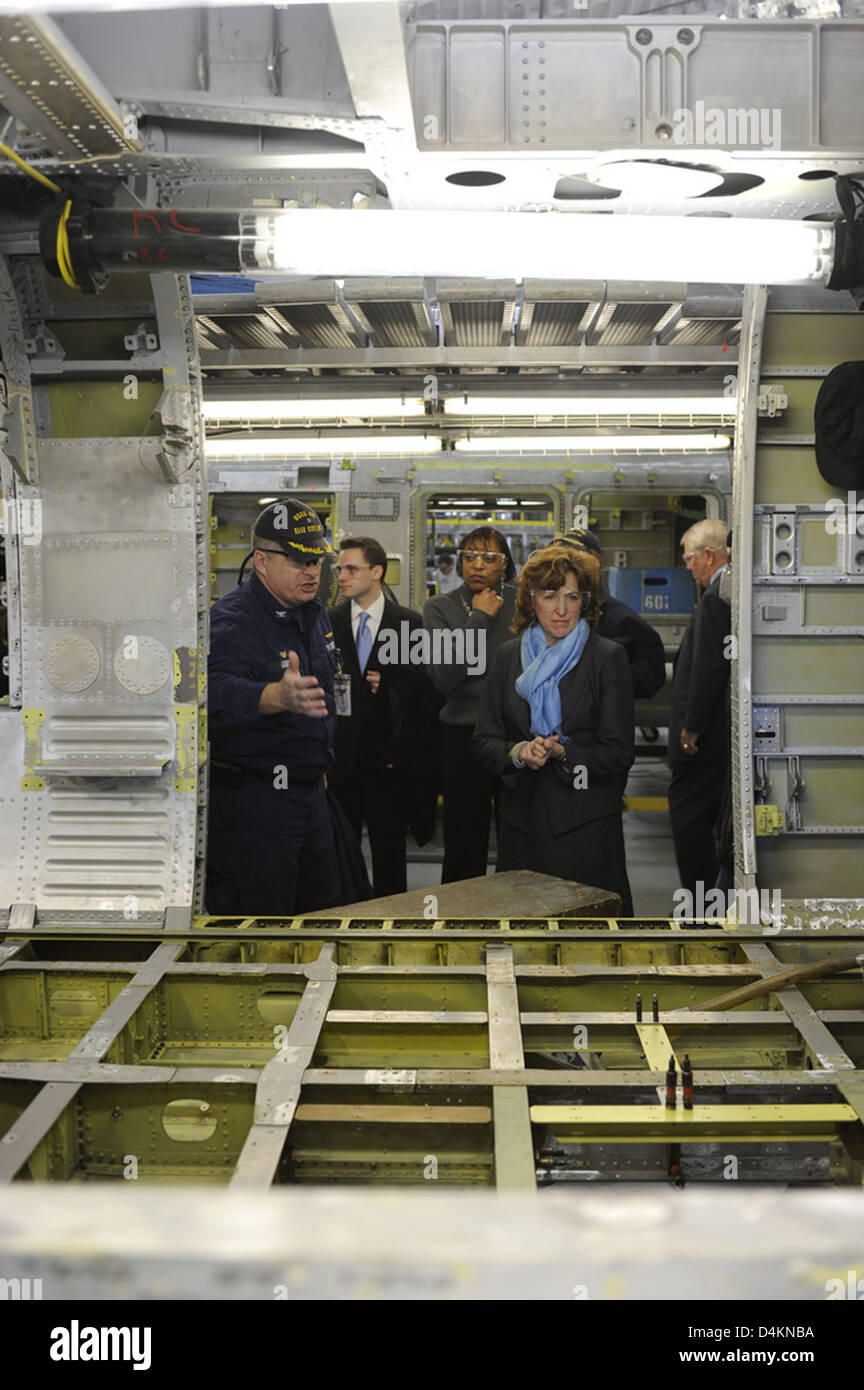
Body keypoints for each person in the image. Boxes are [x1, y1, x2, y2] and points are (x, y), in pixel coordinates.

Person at [473, 543, 635, 913]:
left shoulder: (607, 658)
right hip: (521, 828)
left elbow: (620, 752)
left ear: (586, 601)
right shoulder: (507, 656)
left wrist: (564, 753)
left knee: (588, 943)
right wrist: (517, 753)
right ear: (531, 600)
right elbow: (484, 740)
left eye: (572, 596)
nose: (561, 609)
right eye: (550, 596)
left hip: (586, 828)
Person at [205, 497, 341, 915]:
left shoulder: (314, 614)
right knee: (263, 922)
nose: (312, 570)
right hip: (257, 806)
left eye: (317, 560)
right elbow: (210, 693)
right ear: (261, 562)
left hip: (310, 796)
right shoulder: (232, 620)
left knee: (320, 914)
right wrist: (273, 696)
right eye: (299, 560)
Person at [328, 535, 437, 896]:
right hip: (341, 762)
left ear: (376, 571)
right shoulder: (328, 623)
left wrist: (391, 682)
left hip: (388, 764)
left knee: (390, 853)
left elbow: (427, 694)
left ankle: (393, 923)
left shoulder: (409, 625)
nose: (342, 576)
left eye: (351, 568)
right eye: (339, 569)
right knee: (340, 853)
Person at [423, 527, 517, 882]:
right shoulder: (440, 608)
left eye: (489, 558)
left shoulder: (524, 603)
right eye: (470, 556)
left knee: (517, 834)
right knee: (464, 838)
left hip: (514, 736)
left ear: (504, 565)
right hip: (463, 737)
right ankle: (460, 920)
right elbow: (444, 675)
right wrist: (479, 619)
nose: (478, 565)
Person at [668, 519, 732, 900]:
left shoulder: (714, 599)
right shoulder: (727, 592)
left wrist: (692, 728)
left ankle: (700, 908)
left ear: (709, 555)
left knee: (689, 823)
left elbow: (709, 667)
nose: (687, 566)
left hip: (703, 744)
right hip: (716, 740)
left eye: (689, 558)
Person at [551, 529, 666, 700]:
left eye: (573, 558)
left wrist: (602, 679)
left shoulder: (623, 622)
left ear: (595, 563)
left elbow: (651, 679)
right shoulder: (543, 613)